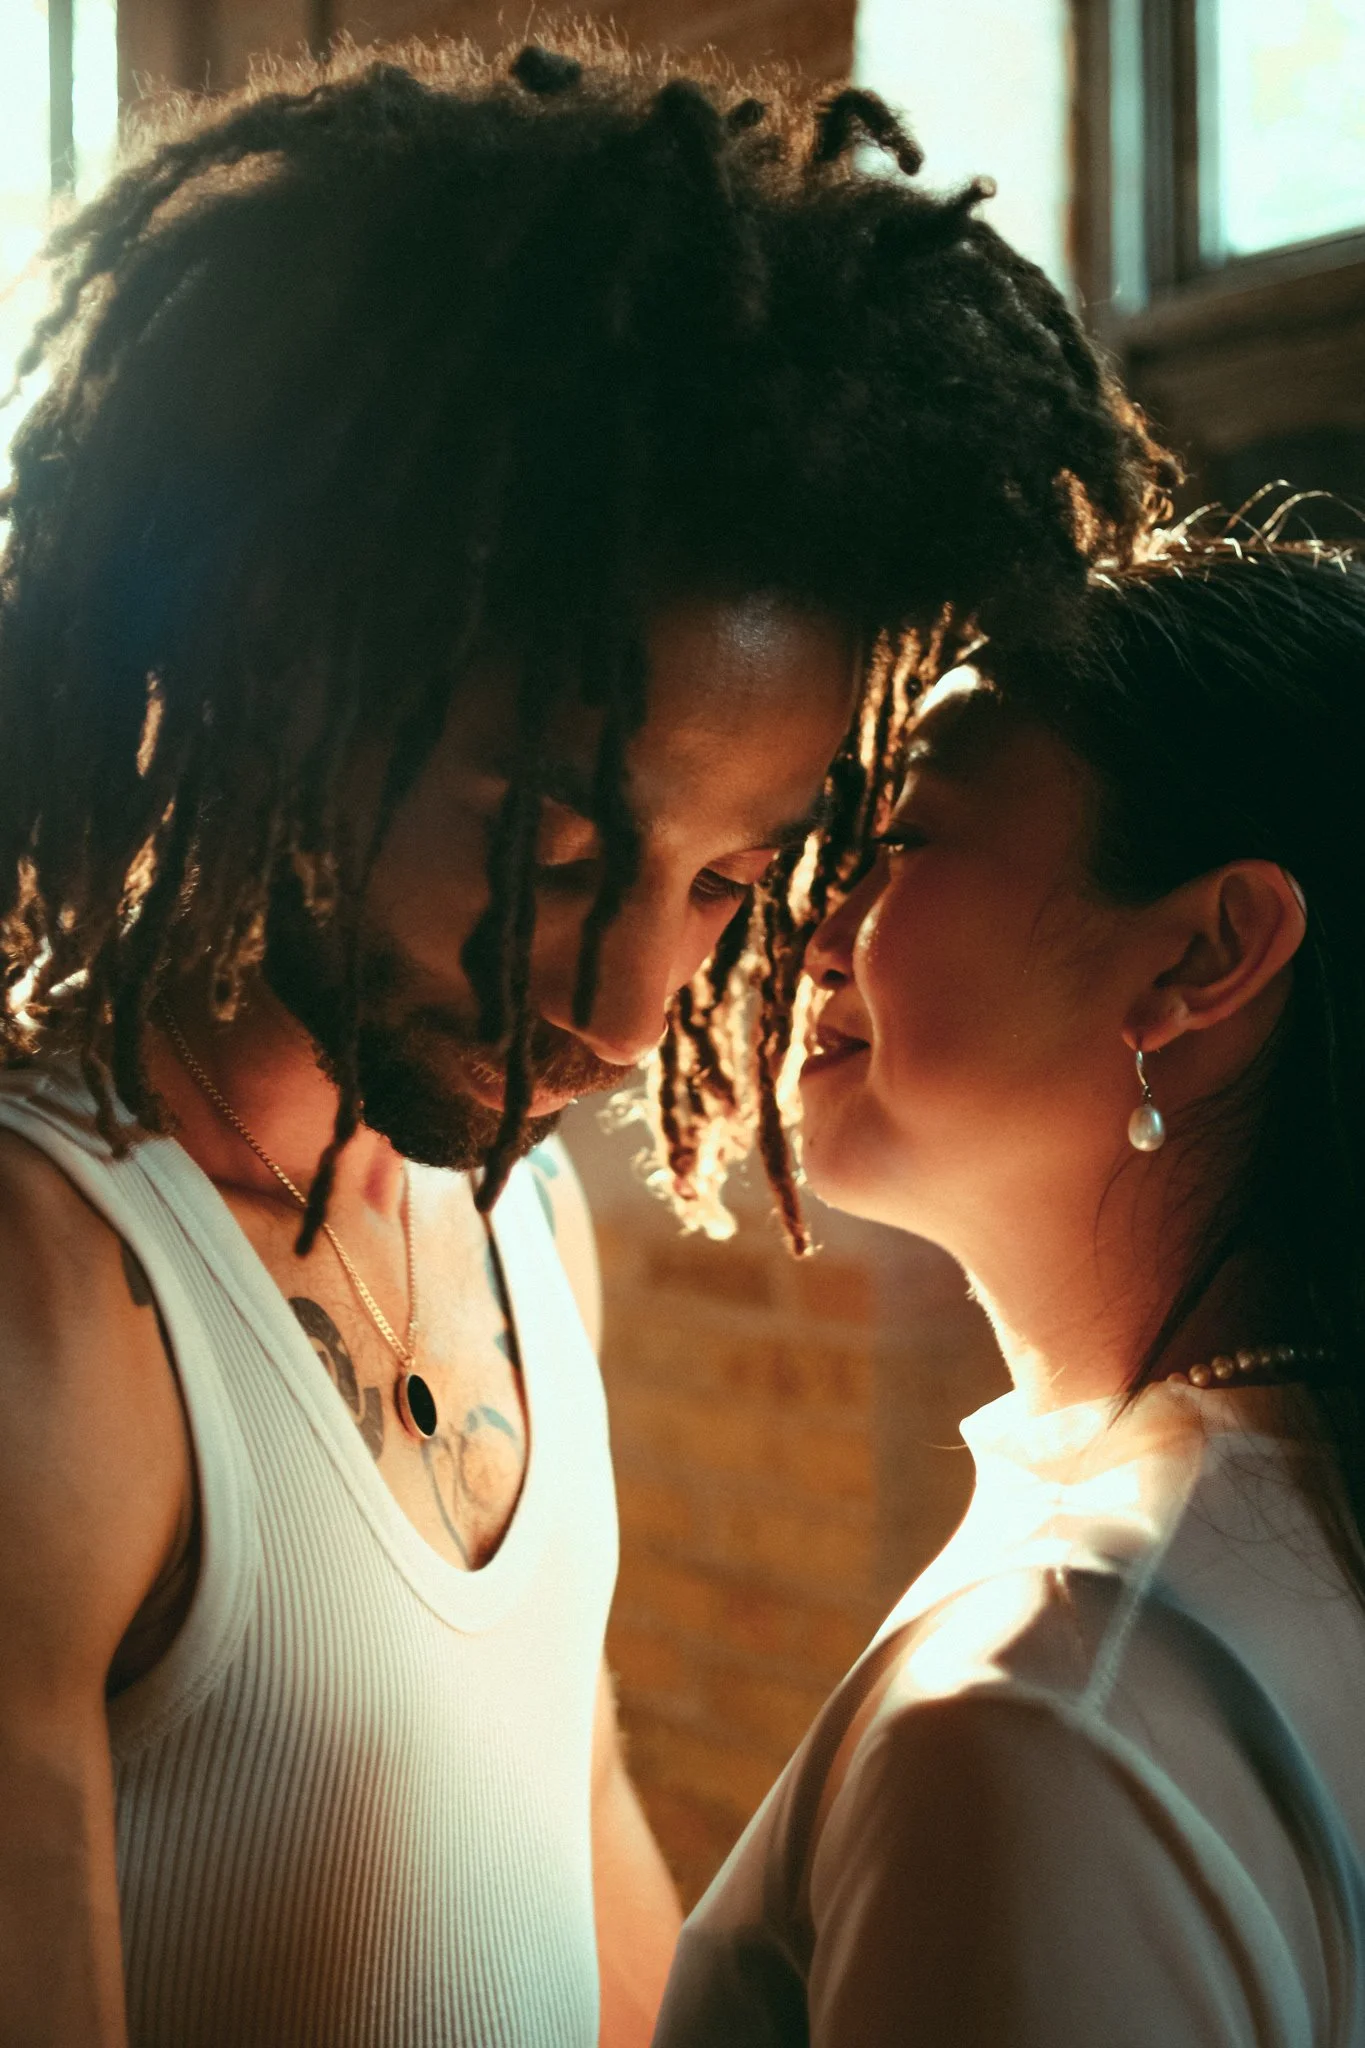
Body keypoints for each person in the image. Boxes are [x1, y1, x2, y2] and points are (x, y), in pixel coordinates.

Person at [0, 27, 1161, 2048]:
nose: (621, 1011)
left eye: (729, 884)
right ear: (288, 682)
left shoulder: (515, 1233)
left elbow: (584, 1894)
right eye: (546, 852)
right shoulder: (51, 1308)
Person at [653, 530, 1365, 2047]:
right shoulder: (1295, 1529)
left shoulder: (1039, 1718)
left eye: (901, 840)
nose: (811, 920)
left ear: (1204, 952)